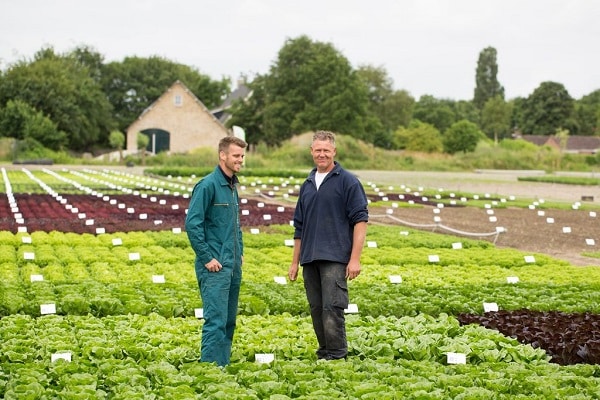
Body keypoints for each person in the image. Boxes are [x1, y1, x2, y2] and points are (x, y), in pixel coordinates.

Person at [288, 130, 369, 360]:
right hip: (309, 257)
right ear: (311, 152)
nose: (321, 154)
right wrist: (294, 262)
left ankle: (336, 354)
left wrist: (355, 258)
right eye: (318, 150)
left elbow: (360, 221)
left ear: (334, 151)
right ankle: (324, 351)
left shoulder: (348, 181)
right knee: (316, 308)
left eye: (326, 150)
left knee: (332, 307)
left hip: (335, 256)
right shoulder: (308, 183)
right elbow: (299, 227)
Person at [185, 135, 247, 366]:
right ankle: (210, 372)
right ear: (223, 155)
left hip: (232, 265)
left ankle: (223, 367)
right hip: (215, 267)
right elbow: (193, 224)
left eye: (242, 156)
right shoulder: (208, 185)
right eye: (236, 156)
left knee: (229, 320)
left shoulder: (232, 187)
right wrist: (207, 257)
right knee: (216, 320)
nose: (240, 160)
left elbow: (235, 225)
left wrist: (239, 251)